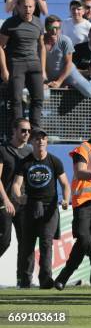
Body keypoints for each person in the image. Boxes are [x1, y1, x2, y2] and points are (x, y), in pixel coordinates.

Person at [54, 115, 91, 290]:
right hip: (85, 202)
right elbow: (79, 173)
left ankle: (65, 276)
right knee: (85, 239)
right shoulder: (83, 149)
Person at [12, 127, 70, 289]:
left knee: (46, 243)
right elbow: (16, 185)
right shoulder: (25, 162)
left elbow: (65, 184)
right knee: (27, 245)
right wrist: (19, 196)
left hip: (49, 207)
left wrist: (66, 199)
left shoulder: (54, 161)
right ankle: (25, 280)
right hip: (30, 206)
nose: (41, 142)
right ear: (32, 142)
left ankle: (45, 280)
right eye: (37, 139)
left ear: (47, 142)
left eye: (43, 139)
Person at [0, 0, 45, 129]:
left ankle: (35, 131)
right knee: (16, 100)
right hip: (16, 64)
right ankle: (18, 131)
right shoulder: (10, 23)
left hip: (34, 65)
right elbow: (0, 47)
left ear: (34, 7)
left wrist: (43, 70)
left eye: (31, 6)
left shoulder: (38, 22)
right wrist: (4, 70)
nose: (28, 9)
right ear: (18, 7)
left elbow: (42, 46)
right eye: (25, 6)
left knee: (38, 99)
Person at [0, 118, 33, 288]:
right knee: (4, 241)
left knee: (26, 242)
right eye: (23, 130)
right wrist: (6, 200)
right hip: (4, 203)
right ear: (14, 131)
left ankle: (24, 281)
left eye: (28, 131)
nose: (27, 134)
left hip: (23, 203)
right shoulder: (3, 150)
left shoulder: (30, 151)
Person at [43, 15, 91, 98]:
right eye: (52, 28)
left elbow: (68, 64)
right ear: (46, 28)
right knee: (44, 96)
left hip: (68, 73)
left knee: (89, 92)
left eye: (57, 28)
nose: (55, 31)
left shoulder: (65, 41)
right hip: (51, 74)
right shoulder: (40, 41)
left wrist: (59, 82)